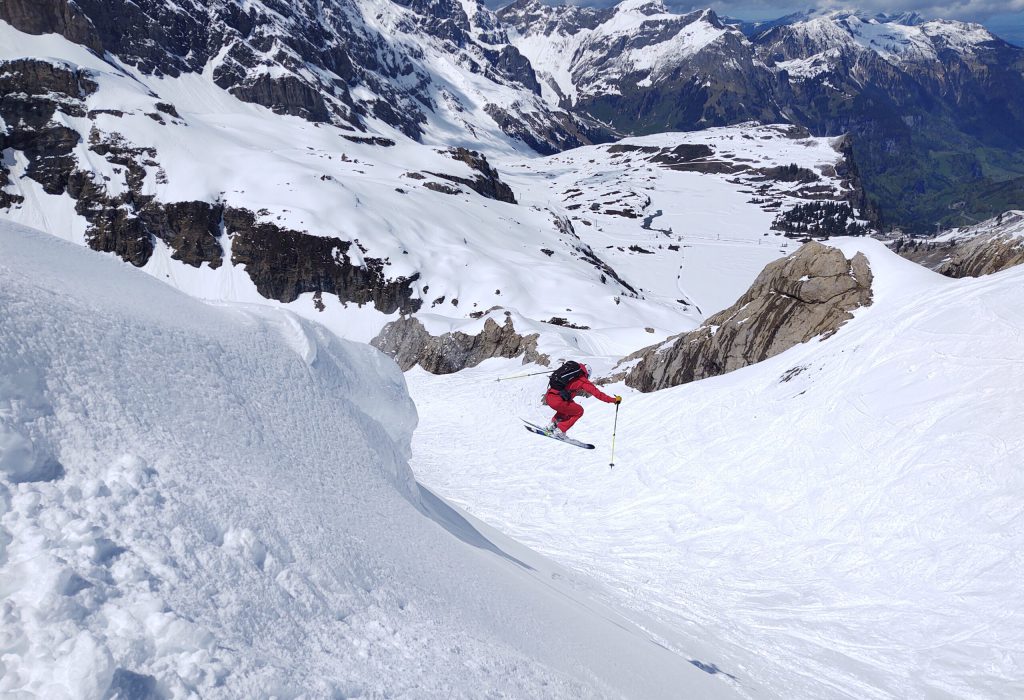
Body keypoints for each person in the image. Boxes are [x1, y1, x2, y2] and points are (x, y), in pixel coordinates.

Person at [544, 362, 621, 438]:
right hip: (558, 401)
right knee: (579, 411)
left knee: (570, 405)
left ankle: (552, 426)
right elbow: (598, 394)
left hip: (549, 397)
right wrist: (614, 400)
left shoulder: (570, 373)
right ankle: (559, 431)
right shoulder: (582, 380)